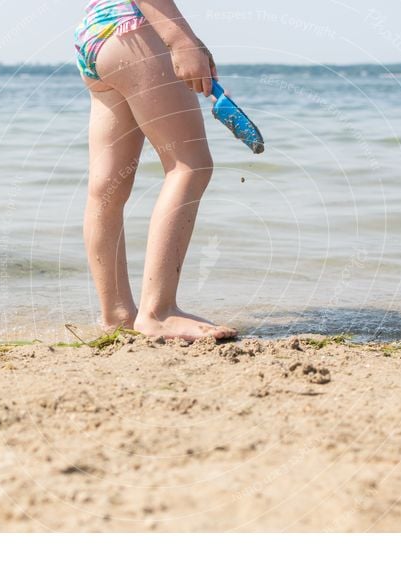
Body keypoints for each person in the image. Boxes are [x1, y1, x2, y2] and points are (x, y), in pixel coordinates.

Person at [74, 0, 238, 341]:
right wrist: (180, 40)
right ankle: (159, 312)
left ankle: (116, 314)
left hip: (96, 33)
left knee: (107, 186)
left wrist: (188, 39)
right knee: (190, 165)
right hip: (134, 29)